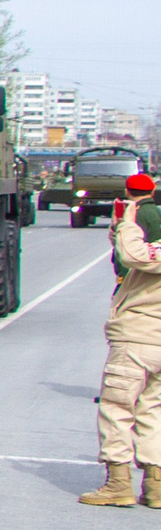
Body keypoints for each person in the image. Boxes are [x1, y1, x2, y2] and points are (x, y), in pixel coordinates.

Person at [85, 171, 161, 507]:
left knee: (118, 408)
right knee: (152, 410)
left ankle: (118, 483)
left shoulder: (146, 239)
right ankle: (156, 486)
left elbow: (134, 257)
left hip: (138, 338)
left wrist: (128, 222)